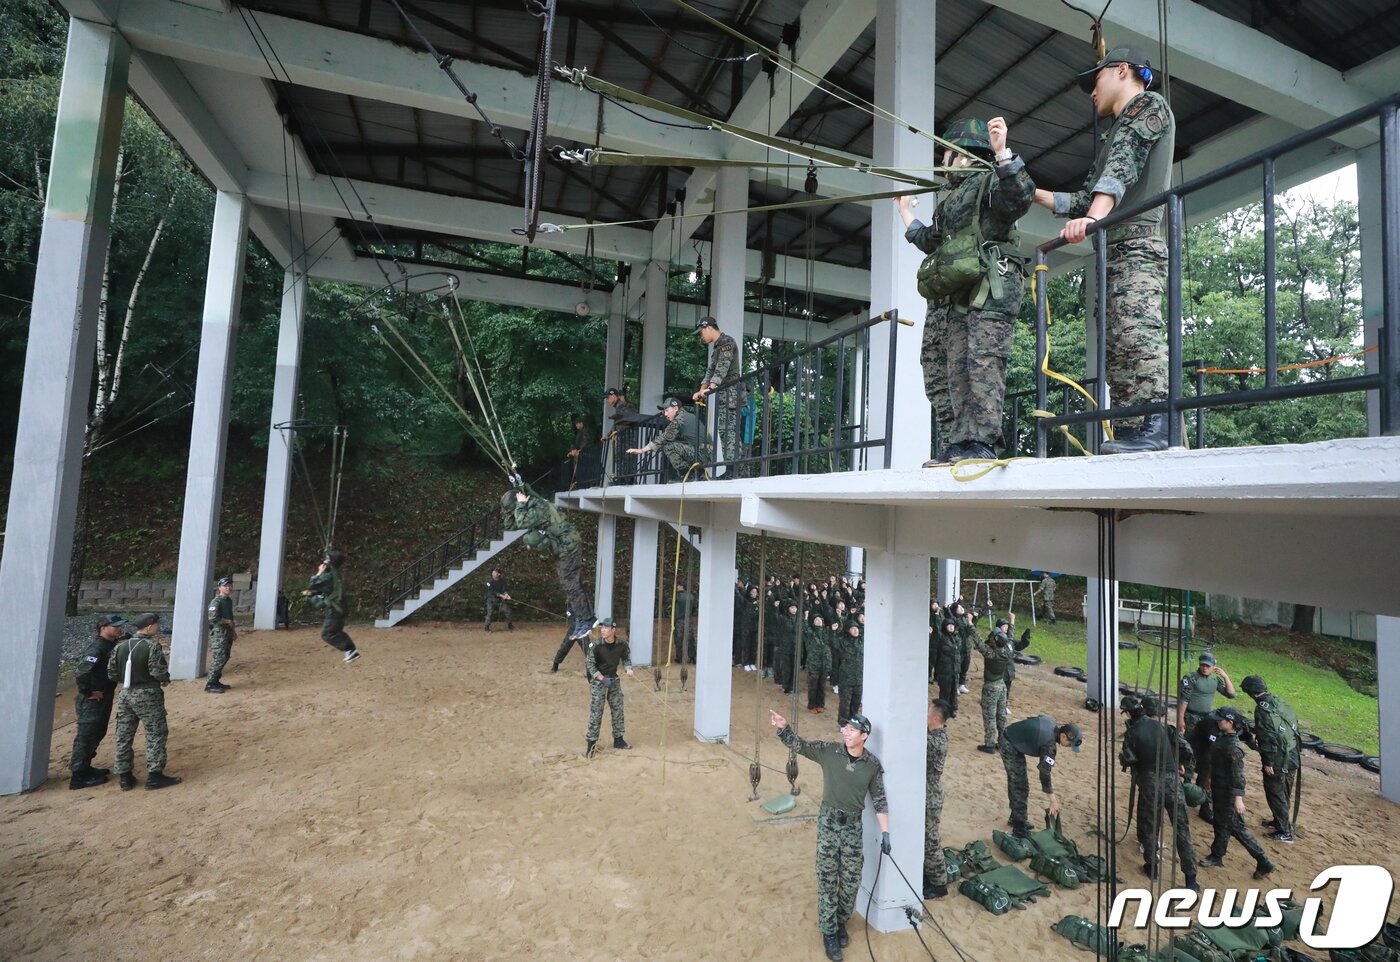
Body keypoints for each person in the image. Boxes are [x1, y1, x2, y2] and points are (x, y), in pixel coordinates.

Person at [1032, 45, 1176, 454]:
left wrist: (1094, 218)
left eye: (1095, 79)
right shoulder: (1115, 132)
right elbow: (1084, 197)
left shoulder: (1147, 105)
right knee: (1116, 344)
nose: (1091, 91)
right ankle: (1136, 430)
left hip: (1137, 242)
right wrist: (1032, 192)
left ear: (1122, 70)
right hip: (1115, 249)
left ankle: (1158, 426)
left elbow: (1121, 169)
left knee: (1137, 334)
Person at [899, 116, 1035, 464]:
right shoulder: (951, 200)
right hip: (960, 295)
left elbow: (1019, 197)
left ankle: (983, 443)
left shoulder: (988, 182)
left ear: (960, 156)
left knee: (982, 363)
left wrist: (1003, 154)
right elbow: (932, 240)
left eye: (945, 154)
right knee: (954, 368)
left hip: (990, 290)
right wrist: (904, 213)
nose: (941, 161)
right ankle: (959, 443)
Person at [771, 710, 890, 962]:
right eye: (845, 729)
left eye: (852, 730)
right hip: (828, 825)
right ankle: (829, 933)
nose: (846, 732)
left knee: (850, 881)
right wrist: (784, 728)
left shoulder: (871, 765)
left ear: (864, 736)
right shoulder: (829, 752)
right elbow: (800, 746)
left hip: (852, 829)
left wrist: (886, 833)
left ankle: (840, 922)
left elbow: (879, 800)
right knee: (827, 879)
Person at [1119, 695, 1200, 891]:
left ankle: (1152, 866)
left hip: (1150, 780)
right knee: (1181, 828)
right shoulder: (1165, 728)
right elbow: (1187, 750)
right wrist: (1181, 764)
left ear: (1129, 714)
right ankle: (1191, 879)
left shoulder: (1132, 733)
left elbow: (1129, 760)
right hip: (1173, 779)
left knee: (1149, 824)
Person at [1199, 707, 1276, 879]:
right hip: (1219, 788)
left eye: (1221, 720)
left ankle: (1263, 861)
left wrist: (1238, 799)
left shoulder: (1233, 747)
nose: (1217, 722)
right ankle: (1217, 855)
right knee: (1220, 823)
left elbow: (1238, 776)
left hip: (1228, 793)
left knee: (1237, 828)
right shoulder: (1223, 738)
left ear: (1230, 723)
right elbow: (1216, 763)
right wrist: (1210, 780)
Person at [107, 613, 181, 790]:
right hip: (148, 694)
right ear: (149, 626)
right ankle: (155, 775)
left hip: (126, 694)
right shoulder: (151, 646)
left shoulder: (120, 647)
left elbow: (112, 673)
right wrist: (164, 678)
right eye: (156, 624)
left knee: (124, 735)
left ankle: (125, 777)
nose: (158, 627)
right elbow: (157, 672)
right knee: (155, 734)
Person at [509, 487, 594, 640]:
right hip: (564, 547)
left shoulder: (539, 508)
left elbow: (521, 521)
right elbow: (511, 524)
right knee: (569, 584)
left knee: (570, 585)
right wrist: (518, 506)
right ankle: (583, 619)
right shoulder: (535, 506)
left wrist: (520, 505)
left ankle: (587, 620)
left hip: (568, 546)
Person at [69, 614, 128, 789]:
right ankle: (78, 776)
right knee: (86, 735)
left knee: (97, 732)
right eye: (115, 626)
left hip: (104, 697)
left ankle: (86, 767)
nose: (119, 629)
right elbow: (82, 672)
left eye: (120, 626)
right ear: (103, 628)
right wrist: (87, 693)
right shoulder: (97, 648)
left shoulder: (109, 645)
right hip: (92, 701)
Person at [1240, 675, 1301, 843]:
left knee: (1275, 793)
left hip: (1278, 759)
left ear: (1251, 692)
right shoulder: (1278, 702)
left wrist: (1268, 762)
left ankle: (1284, 832)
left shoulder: (1262, 710)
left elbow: (1267, 738)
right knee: (1285, 791)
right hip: (1292, 754)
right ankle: (1279, 821)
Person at [1000, 714, 1082, 837]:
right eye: (1070, 744)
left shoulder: (1052, 723)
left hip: (1011, 736)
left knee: (1019, 783)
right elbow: (1044, 774)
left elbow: (1033, 719)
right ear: (1063, 736)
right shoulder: (1049, 746)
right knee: (1019, 785)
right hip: (1009, 744)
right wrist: (1052, 800)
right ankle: (1019, 827)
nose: (1069, 747)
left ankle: (1017, 817)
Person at [1178, 651, 1235, 819]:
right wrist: (1181, 719)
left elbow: (1231, 694)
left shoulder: (1214, 680)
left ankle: (1204, 800)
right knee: (1188, 752)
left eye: (1208, 666)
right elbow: (1184, 700)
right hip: (1191, 717)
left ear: (1213, 666)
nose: (1205, 668)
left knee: (1209, 755)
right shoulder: (1191, 678)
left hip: (1208, 719)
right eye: (1203, 665)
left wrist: (1225, 676)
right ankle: (1186, 790)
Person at [692, 316, 744, 473]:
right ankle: (731, 469)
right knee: (724, 431)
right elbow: (710, 371)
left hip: (732, 396)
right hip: (725, 397)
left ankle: (736, 470)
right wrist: (702, 390)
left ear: (708, 328)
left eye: (701, 333)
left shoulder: (727, 342)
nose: (701, 337)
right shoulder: (717, 348)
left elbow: (722, 368)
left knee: (730, 432)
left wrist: (711, 387)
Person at [626, 396, 711, 481]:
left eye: (667, 410)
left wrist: (642, 450)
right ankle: (698, 474)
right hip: (705, 451)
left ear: (675, 408)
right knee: (674, 442)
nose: (665, 414)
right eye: (664, 411)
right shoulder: (686, 416)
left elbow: (664, 437)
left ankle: (687, 476)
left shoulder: (680, 419)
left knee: (668, 446)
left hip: (704, 452)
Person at [584, 618, 633, 756]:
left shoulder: (621, 644)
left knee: (618, 710)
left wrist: (628, 668)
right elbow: (590, 665)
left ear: (613, 630)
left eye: (606, 628)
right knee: (596, 712)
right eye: (602, 628)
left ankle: (619, 740)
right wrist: (601, 678)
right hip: (600, 681)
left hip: (613, 679)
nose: (603, 630)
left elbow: (626, 658)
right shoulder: (596, 645)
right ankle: (591, 744)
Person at [973, 615, 1022, 754]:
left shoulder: (990, 653)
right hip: (1002, 686)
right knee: (1001, 716)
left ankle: (989, 744)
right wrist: (1012, 622)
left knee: (989, 716)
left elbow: (977, 641)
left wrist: (970, 624)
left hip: (991, 686)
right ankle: (1002, 743)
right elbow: (1011, 638)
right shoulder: (1007, 650)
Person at [304, 548, 361, 663]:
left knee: (328, 633)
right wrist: (314, 593)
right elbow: (327, 589)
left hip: (336, 609)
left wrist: (319, 572)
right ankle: (350, 650)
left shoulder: (328, 576)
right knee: (335, 631)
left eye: (326, 559)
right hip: (340, 607)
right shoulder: (334, 574)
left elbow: (312, 584)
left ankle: (350, 650)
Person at [923, 698, 953, 899]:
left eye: (927, 710)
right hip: (926, 793)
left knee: (930, 839)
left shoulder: (935, 742)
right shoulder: (934, 734)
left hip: (930, 797)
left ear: (935, 718)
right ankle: (929, 873)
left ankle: (939, 883)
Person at [205, 575, 236, 693]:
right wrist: (227, 621)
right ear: (219, 588)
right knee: (219, 658)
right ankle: (210, 683)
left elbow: (231, 617)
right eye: (225, 586)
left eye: (230, 585)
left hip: (227, 632)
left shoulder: (228, 601)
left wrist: (233, 631)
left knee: (225, 656)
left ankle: (216, 681)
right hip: (219, 634)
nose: (228, 588)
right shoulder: (216, 601)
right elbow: (212, 618)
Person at [932, 617, 962, 717]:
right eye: (949, 625)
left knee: (954, 691)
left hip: (955, 670)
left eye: (952, 625)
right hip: (944, 670)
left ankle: (953, 709)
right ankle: (943, 711)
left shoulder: (957, 638)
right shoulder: (941, 638)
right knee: (945, 692)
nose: (951, 627)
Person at [836, 623, 864, 727]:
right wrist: (835, 630)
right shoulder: (843, 641)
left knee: (856, 703)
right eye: (852, 628)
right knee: (845, 703)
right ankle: (843, 724)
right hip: (846, 678)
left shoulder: (862, 641)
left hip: (859, 678)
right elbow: (833, 642)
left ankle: (853, 723)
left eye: (857, 628)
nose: (856, 630)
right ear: (848, 631)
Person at [805, 611, 831, 714]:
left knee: (822, 686)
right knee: (813, 686)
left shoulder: (826, 632)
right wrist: (806, 617)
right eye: (816, 620)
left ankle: (821, 704)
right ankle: (812, 705)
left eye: (819, 619)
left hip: (825, 663)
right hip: (814, 663)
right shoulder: (810, 633)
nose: (818, 621)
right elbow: (804, 628)